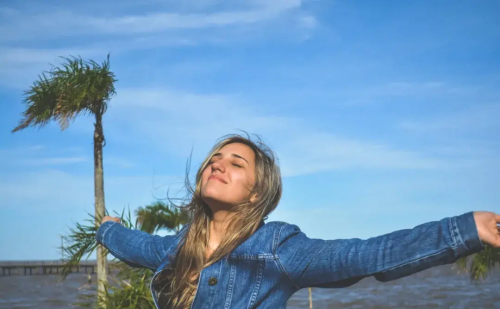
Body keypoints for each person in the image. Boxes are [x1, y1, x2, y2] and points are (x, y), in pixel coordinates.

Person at [96, 134, 500, 309]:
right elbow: (135, 245)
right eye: (215, 159)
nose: (219, 164)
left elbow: (365, 256)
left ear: (256, 193)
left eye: (237, 163)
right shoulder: (177, 246)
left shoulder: (277, 249)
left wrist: (466, 229)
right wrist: (108, 228)